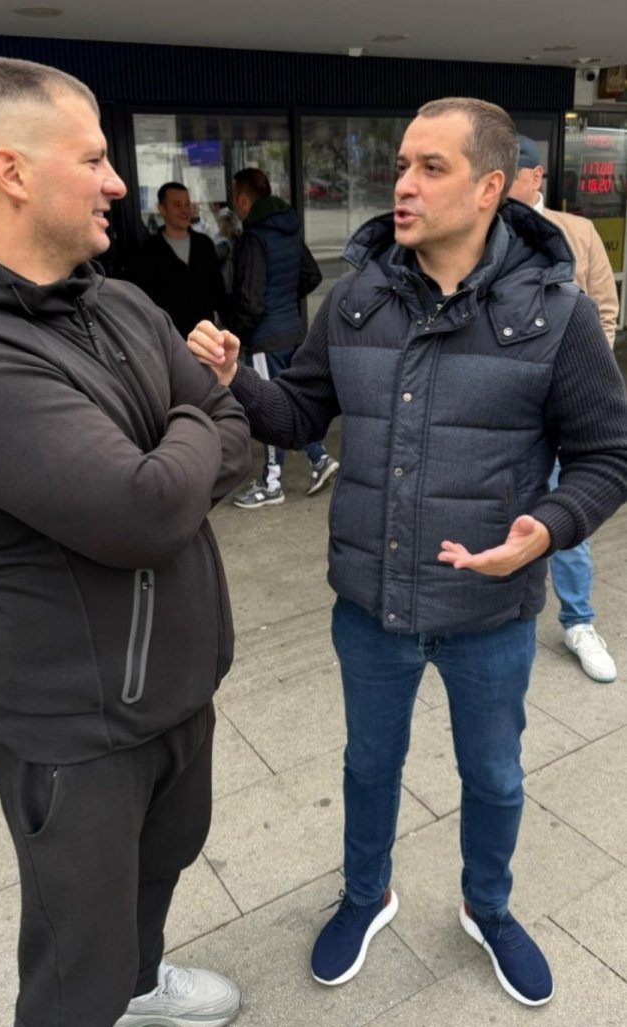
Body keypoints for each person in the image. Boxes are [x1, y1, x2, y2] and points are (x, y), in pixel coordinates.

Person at [189, 98, 627, 1008]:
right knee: (367, 766)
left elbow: (607, 455)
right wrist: (234, 383)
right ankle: (366, 894)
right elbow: (300, 414)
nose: (403, 185)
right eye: (400, 165)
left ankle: (488, 907)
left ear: (491, 187)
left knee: (495, 776)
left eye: (432, 167)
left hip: (491, 612)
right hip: (372, 601)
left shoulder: (558, 315)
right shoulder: (355, 301)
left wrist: (547, 529)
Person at [0, 57, 249, 1027]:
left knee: (161, 867)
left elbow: (234, 436)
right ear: (11, 171)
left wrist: (184, 431)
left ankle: (142, 987)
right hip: (74, 731)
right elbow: (145, 511)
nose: (119, 182)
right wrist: (193, 415)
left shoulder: (117, 302)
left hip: (178, 689)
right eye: (92, 159)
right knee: (72, 965)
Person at [508, 135, 619, 683]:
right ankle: (487, 615)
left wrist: (580, 384)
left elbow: (604, 311)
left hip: (560, 405)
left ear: (536, 176)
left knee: (566, 512)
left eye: (511, 172)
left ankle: (578, 622)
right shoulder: (478, 227)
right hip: (500, 402)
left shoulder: (578, 231)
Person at [229, 167, 339, 507]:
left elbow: (250, 300)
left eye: (234, 197)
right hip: (291, 330)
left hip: (265, 337)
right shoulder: (287, 229)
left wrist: (238, 334)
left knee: (266, 407)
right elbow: (311, 274)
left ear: (243, 199)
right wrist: (285, 301)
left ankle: (271, 484)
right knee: (291, 403)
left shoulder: (254, 237)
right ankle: (319, 458)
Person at [131, 181, 227, 339]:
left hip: (206, 337)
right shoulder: (149, 250)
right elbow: (145, 299)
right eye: (177, 205)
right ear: (162, 209)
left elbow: (218, 291)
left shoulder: (204, 244)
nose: (184, 210)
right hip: (169, 338)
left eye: (187, 204)